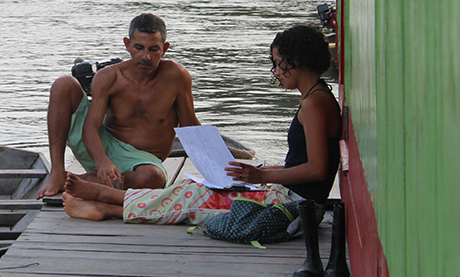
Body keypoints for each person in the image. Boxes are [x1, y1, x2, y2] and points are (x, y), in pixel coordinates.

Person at [62, 24, 342, 225]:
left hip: (295, 203)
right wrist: (261, 172)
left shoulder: (315, 104)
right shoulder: (318, 98)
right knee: (198, 189)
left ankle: (106, 204)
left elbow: (316, 170)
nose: (277, 72)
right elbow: (305, 163)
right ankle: (108, 201)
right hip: (288, 193)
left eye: (280, 64)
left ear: (297, 62)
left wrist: (262, 177)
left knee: (196, 199)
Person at [35, 13, 200, 199]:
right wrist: (102, 161)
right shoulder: (109, 77)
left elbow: (190, 126)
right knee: (63, 84)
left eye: (154, 49)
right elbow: (90, 127)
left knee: (152, 178)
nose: (145, 56)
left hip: (142, 161)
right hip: (101, 146)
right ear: (127, 45)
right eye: (139, 47)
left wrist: (218, 166)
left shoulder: (176, 76)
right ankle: (58, 172)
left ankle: (81, 181)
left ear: (165, 49)